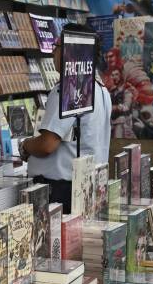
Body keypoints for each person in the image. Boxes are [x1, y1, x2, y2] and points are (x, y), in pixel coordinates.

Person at [19, 23, 112, 213]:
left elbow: (47, 145)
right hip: (87, 184)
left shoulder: (71, 88)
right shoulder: (100, 88)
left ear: (71, 49)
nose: (54, 52)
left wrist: (25, 145)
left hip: (61, 190)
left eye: (57, 46)